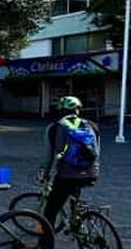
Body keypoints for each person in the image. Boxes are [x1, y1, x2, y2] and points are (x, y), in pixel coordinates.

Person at [38, 95, 101, 228]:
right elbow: (97, 151)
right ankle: (77, 227)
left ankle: (45, 245)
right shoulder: (92, 126)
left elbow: (49, 157)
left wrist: (44, 174)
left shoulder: (54, 128)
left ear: (60, 111)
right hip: (90, 174)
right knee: (74, 194)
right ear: (78, 110)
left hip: (66, 175)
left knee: (51, 209)